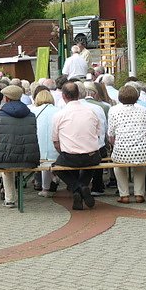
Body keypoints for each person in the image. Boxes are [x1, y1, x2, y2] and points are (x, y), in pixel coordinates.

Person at [52, 82, 101, 210]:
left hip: (70, 156)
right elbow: (98, 134)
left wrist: (64, 150)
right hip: (91, 155)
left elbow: (56, 142)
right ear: (79, 94)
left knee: (56, 167)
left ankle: (77, 188)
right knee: (91, 164)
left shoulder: (60, 115)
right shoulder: (91, 111)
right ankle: (81, 188)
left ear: (63, 96)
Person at [0, 85, 40, 208]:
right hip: (30, 158)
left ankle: (10, 199)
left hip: (7, 159)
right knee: (9, 161)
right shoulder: (31, 115)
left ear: (6, 99)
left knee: (6, 167)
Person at [108, 85, 146, 204]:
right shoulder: (143, 110)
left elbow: (110, 134)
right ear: (137, 97)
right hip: (143, 150)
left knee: (118, 165)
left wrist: (114, 144)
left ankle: (124, 194)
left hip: (121, 150)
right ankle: (139, 194)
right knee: (140, 165)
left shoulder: (113, 110)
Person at [31, 89, 60, 197]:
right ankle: (52, 179)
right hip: (57, 146)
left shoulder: (33, 111)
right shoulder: (59, 110)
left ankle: (45, 188)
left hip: (39, 146)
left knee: (44, 162)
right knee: (51, 161)